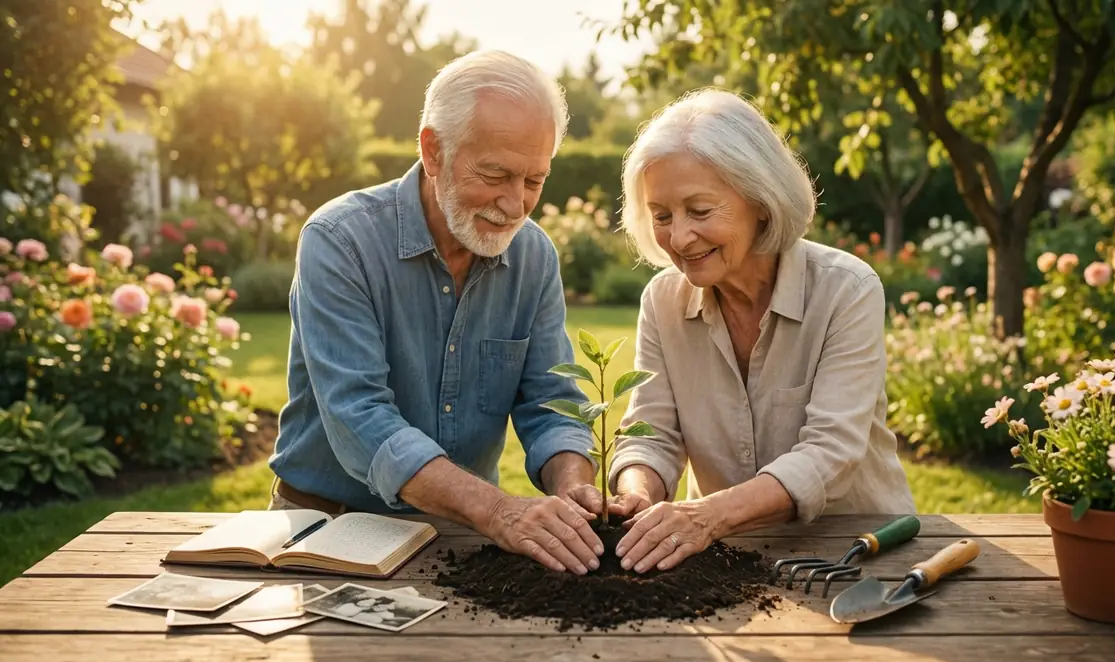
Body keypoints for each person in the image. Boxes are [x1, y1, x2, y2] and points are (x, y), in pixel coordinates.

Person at [267, 50, 609, 576]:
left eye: (534, 181)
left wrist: (574, 487)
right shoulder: (339, 240)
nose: (515, 205)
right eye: (495, 173)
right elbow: (360, 416)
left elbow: (550, 401)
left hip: (461, 531)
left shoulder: (534, 255)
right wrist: (499, 510)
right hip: (326, 526)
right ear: (433, 150)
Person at [600, 88, 916, 574]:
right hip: (730, 560)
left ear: (761, 200)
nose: (678, 237)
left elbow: (830, 453)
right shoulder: (662, 302)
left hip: (860, 552)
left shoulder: (846, 290)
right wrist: (637, 493)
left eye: (700, 211)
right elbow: (652, 433)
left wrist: (706, 516)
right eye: (662, 216)